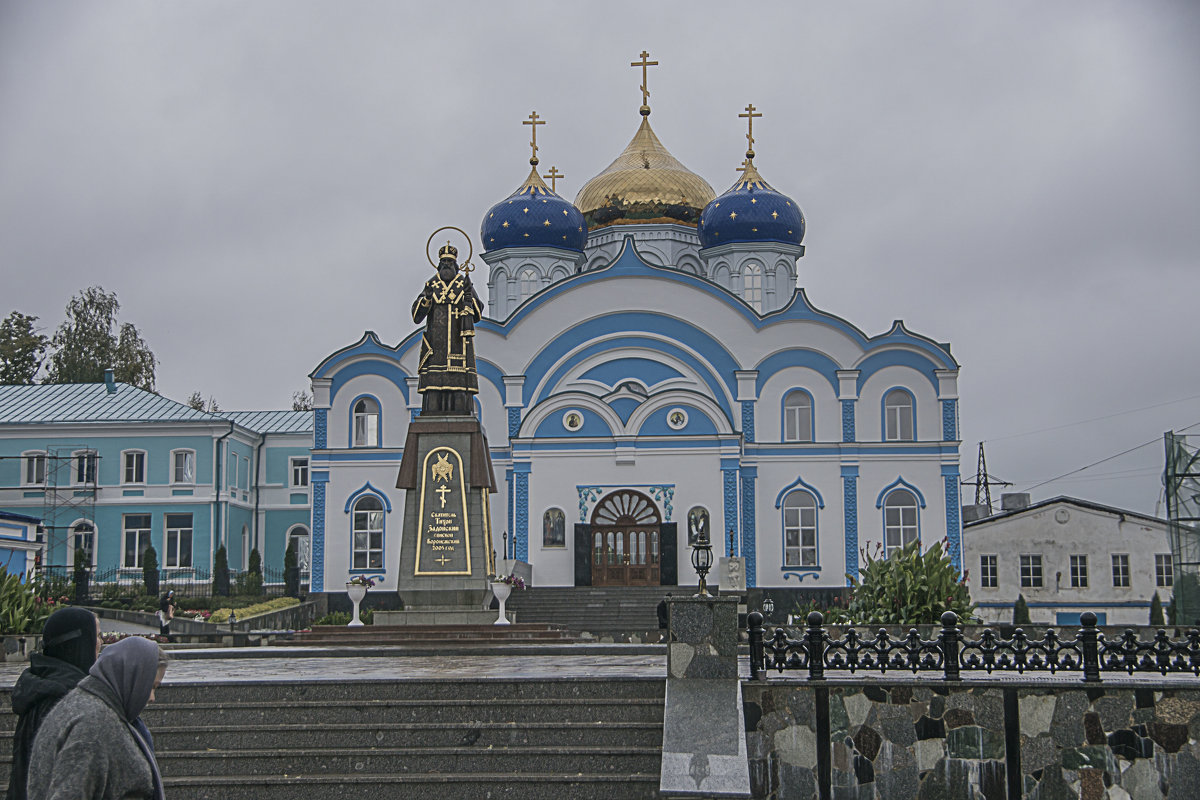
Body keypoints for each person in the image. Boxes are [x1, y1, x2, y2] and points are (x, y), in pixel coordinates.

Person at [27, 636, 169, 800]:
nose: (152, 697)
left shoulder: (82, 706)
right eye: (150, 687)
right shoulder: (94, 724)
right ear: (131, 678)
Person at [6, 608, 101, 800]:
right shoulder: (62, 699)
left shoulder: (43, 686)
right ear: (79, 643)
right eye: (97, 636)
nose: (101, 643)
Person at [412, 243, 484, 415]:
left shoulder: (464, 283)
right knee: (433, 390)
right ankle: (432, 413)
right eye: (443, 263)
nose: (446, 266)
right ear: (438, 265)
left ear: (455, 266)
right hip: (435, 346)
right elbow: (417, 316)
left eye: (449, 263)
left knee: (459, 389)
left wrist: (468, 297)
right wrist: (427, 299)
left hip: (458, 343)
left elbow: (477, 312)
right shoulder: (431, 285)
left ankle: (459, 412)